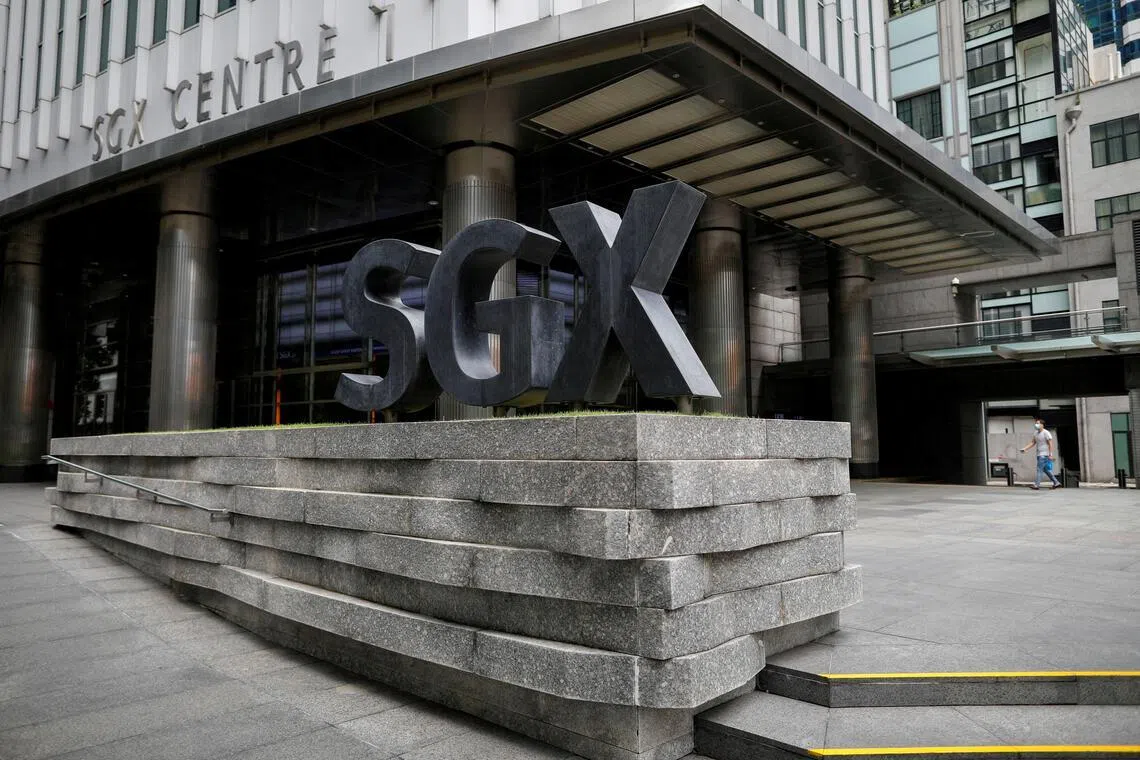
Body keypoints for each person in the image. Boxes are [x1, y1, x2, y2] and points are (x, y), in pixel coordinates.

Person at [1020, 419, 1060, 490]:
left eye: (1038, 423)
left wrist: (1050, 454)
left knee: (1039, 469)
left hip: (1044, 454)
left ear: (1042, 425)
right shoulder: (1035, 433)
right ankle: (1056, 482)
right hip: (1039, 454)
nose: (1036, 425)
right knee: (1045, 470)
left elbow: (1050, 444)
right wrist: (1025, 448)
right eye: (1036, 423)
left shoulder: (1046, 433)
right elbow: (1033, 442)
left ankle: (1036, 485)